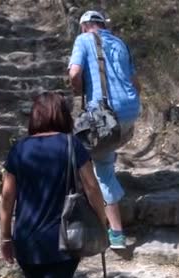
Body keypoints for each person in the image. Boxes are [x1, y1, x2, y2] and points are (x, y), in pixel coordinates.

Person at [0, 92, 107, 278]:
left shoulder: (19, 149)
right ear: (63, 116)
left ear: (35, 117)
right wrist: (101, 222)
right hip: (62, 242)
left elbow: (7, 197)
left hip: (26, 240)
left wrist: (5, 237)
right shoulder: (72, 145)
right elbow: (91, 187)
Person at [68, 10, 142, 249]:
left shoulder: (83, 40)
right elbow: (135, 82)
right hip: (130, 112)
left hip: (105, 115)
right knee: (103, 150)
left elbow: (75, 73)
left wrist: (77, 90)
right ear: (102, 25)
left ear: (85, 26)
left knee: (101, 169)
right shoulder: (120, 42)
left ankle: (116, 234)